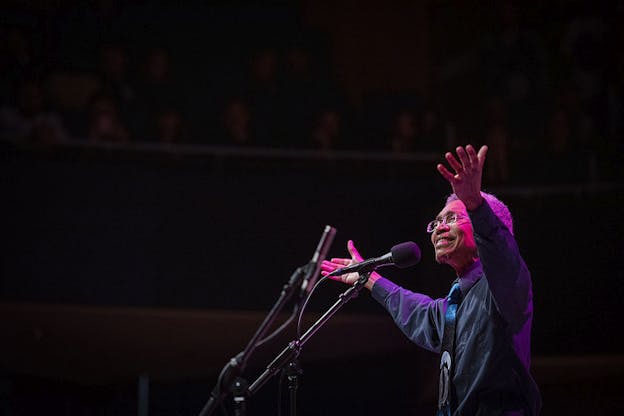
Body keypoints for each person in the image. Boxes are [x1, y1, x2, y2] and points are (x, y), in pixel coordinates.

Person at [321, 144, 541, 415]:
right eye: (436, 223)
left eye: (453, 218)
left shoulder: (505, 285)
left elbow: (499, 250)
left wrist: (475, 205)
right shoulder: (456, 302)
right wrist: (370, 279)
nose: (440, 228)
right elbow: (420, 313)